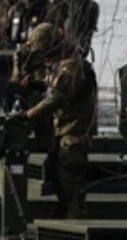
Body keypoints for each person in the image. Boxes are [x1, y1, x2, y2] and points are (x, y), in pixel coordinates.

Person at [19, 23, 96, 218]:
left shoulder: (71, 66)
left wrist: (29, 114)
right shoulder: (61, 62)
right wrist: (34, 83)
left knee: (70, 181)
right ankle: (64, 213)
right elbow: (52, 86)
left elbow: (57, 97)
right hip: (63, 131)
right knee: (54, 172)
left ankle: (74, 219)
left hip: (74, 134)